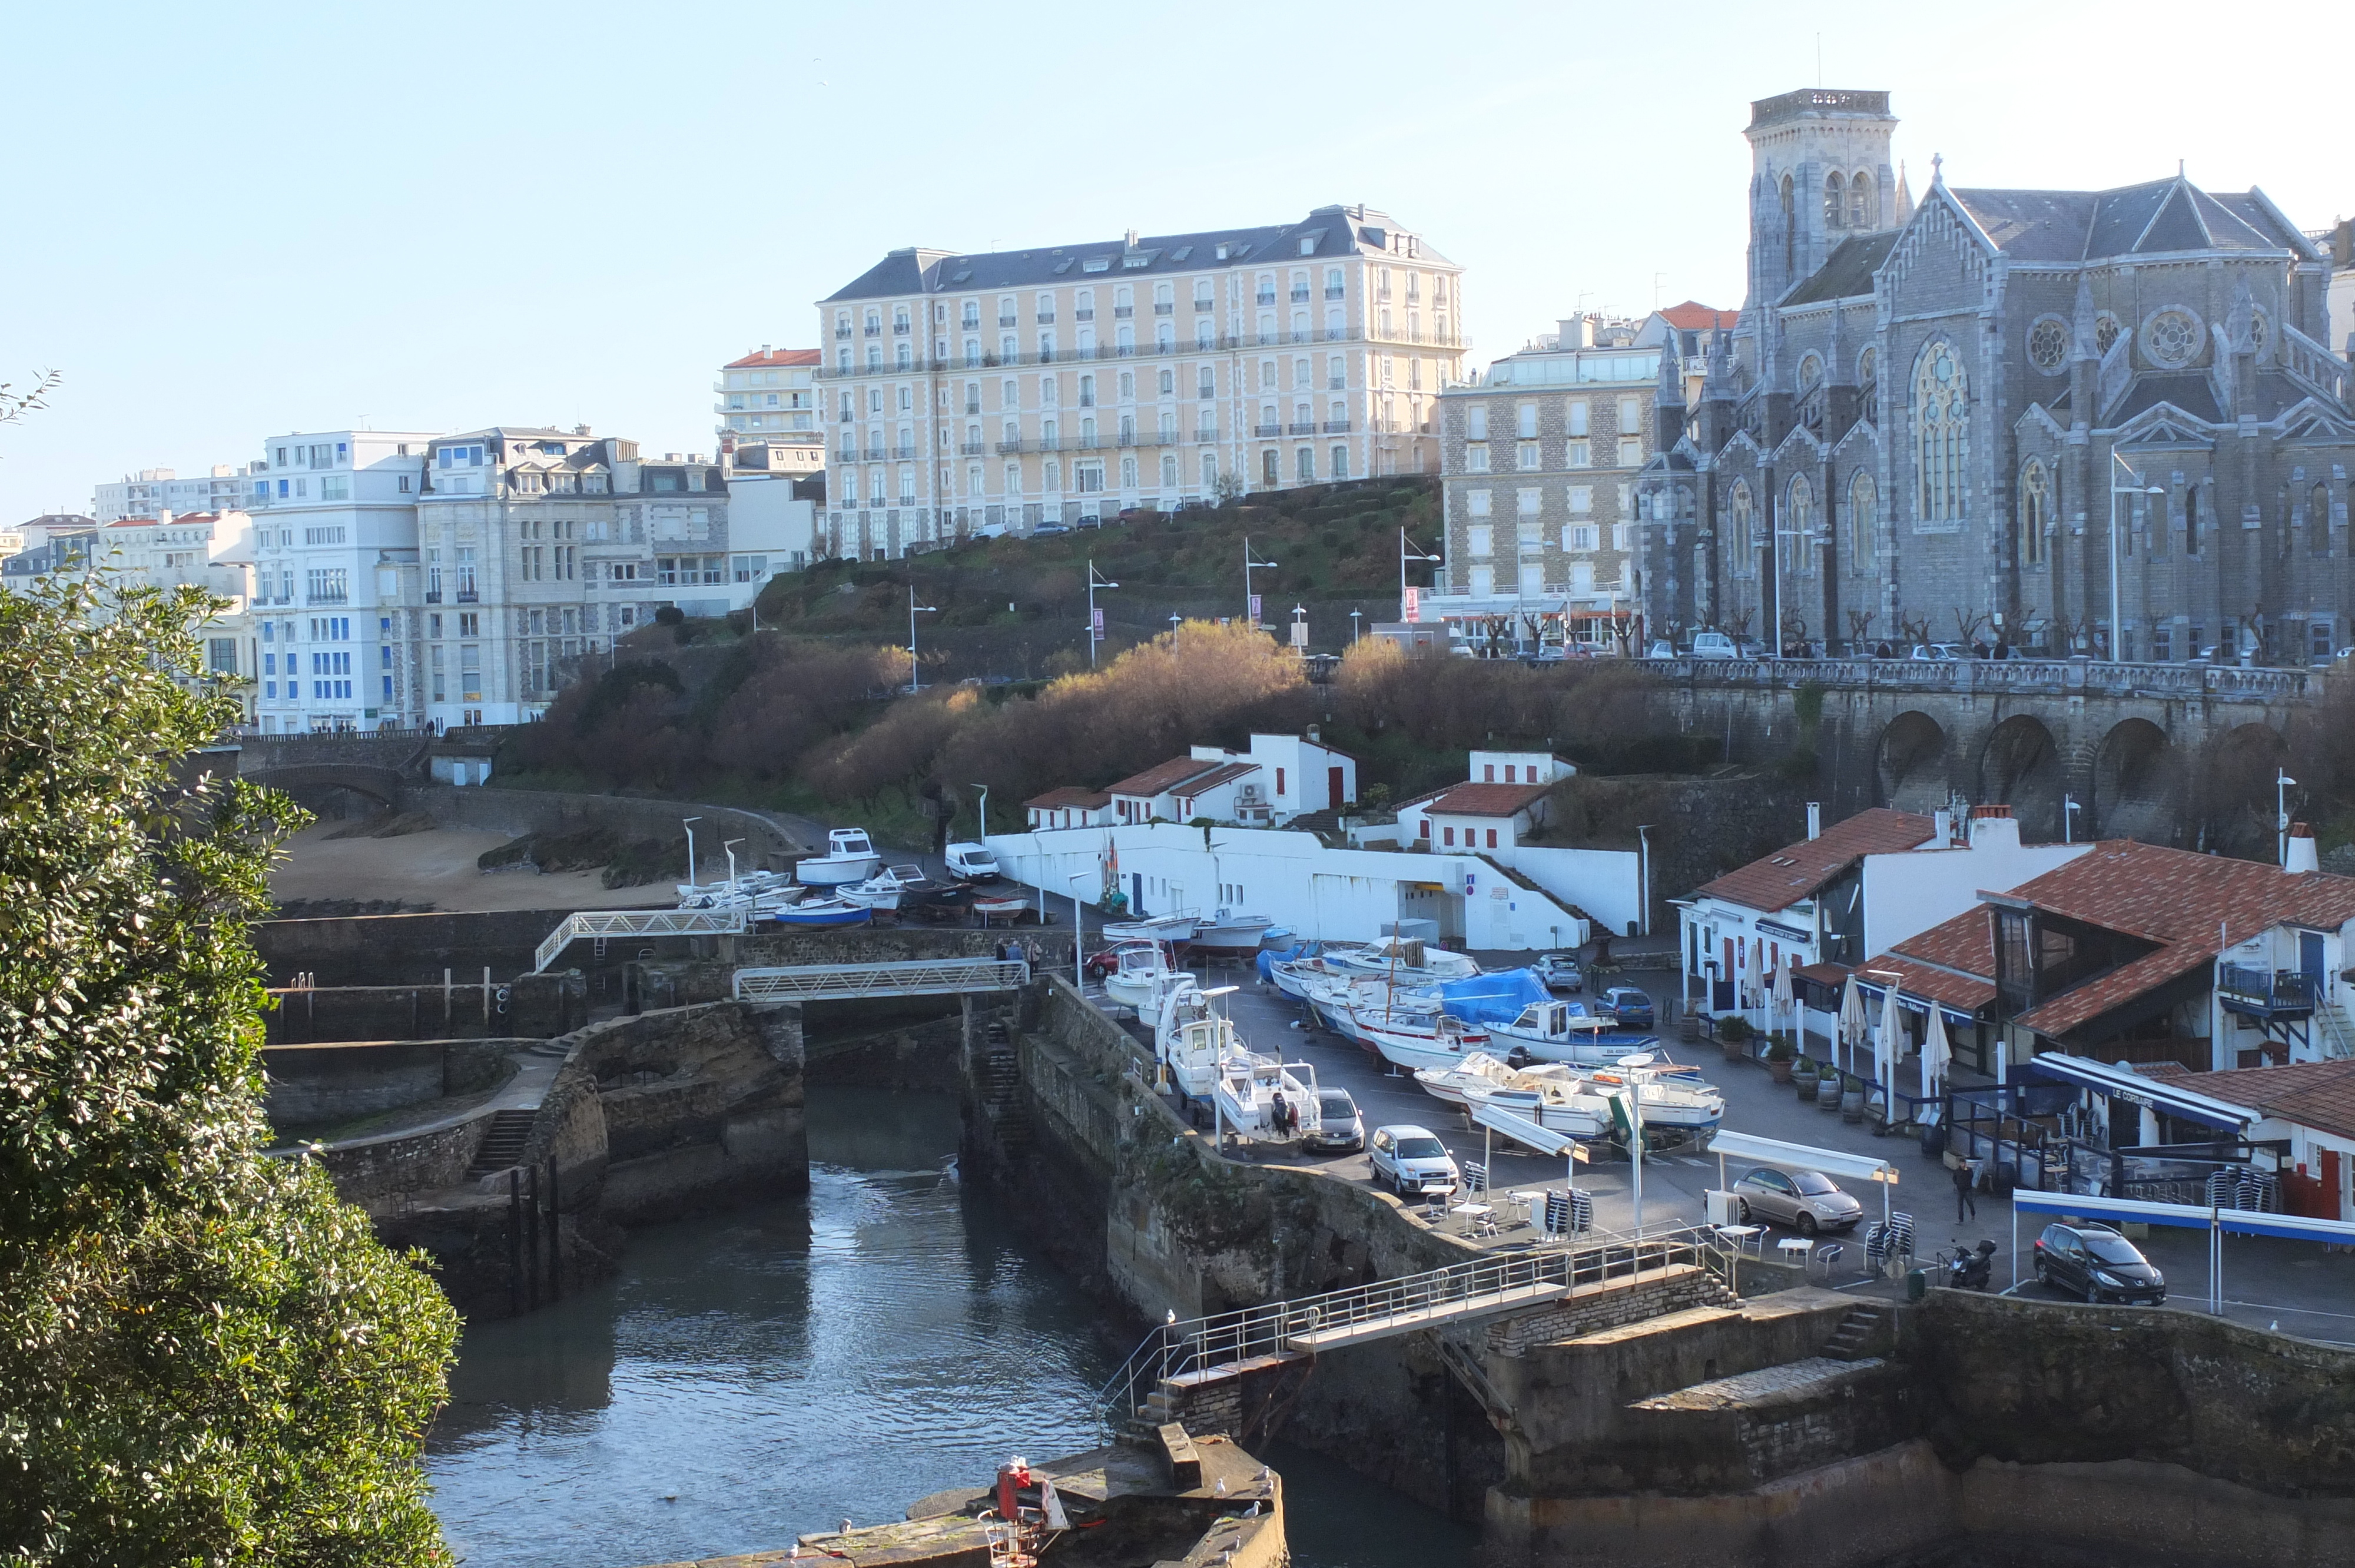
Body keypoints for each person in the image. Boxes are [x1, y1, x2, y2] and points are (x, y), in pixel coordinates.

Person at [1953, 1155, 1977, 1221]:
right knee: (1960, 1205)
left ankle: (1973, 1213)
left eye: (1964, 1163)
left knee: (1970, 1202)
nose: (1963, 1165)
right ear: (1960, 1164)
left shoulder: (1969, 1170)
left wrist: (1967, 1170)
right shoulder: (1957, 1171)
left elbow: (1971, 1176)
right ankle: (1961, 1219)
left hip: (1967, 1190)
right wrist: (1957, 1184)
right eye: (1961, 1163)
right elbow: (1954, 1178)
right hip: (1960, 1190)